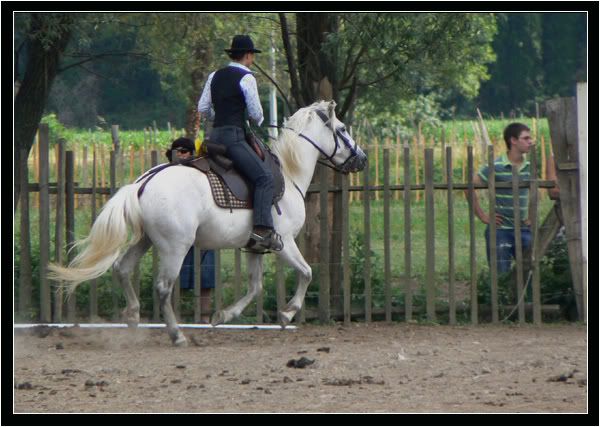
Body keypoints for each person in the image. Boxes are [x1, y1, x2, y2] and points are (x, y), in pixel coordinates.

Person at [197, 34, 283, 252]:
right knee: (264, 177)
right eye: (252, 55)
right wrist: (252, 119)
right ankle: (263, 230)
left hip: (214, 136)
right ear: (247, 55)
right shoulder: (247, 78)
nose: (252, 59)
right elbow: (256, 114)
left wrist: (221, 113)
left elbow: (203, 109)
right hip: (233, 138)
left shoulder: (214, 75)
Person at [466, 122, 534, 274]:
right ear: (513, 140)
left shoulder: (530, 167)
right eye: (526, 138)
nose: (531, 141)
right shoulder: (496, 166)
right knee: (500, 278)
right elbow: (469, 187)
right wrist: (483, 216)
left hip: (524, 230)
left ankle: (523, 299)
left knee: (528, 276)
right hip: (500, 231)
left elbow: (533, 194)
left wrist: (530, 216)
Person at [166, 137, 216, 323]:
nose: (180, 154)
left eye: (184, 151)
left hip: (203, 230)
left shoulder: (201, 175)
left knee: (206, 277)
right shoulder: (165, 178)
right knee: (173, 275)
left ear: (192, 154)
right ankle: (173, 316)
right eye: (177, 151)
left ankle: (204, 316)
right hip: (177, 233)